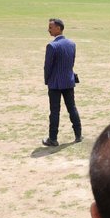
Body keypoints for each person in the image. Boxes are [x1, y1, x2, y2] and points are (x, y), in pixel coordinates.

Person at [42, 17, 82, 147]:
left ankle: (53, 139)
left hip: (55, 83)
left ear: (58, 28)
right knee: (72, 108)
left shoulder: (52, 46)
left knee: (54, 111)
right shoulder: (72, 44)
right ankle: (78, 135)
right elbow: (71, 62)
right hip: (68, 81)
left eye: (50, 27)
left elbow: (47, 66)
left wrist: (47, 79)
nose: (48, 30)